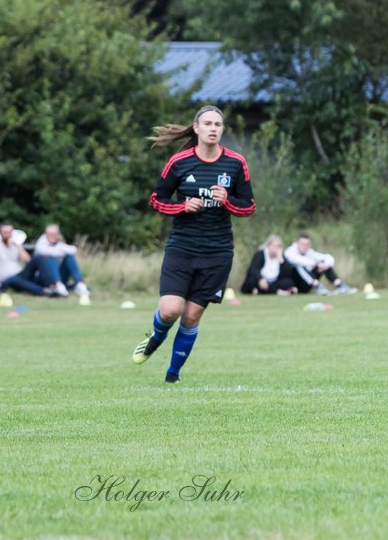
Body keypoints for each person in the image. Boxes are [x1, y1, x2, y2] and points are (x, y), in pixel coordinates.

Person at [132, 105, 255, 382]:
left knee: (189, 317)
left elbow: (248, 206)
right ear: (196, 128)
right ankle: (156, 337)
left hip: (218, 252)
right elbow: (156, 199)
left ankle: (172, 375)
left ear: (222, 130)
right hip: (183, 248)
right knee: (170, 311)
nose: (213, 128)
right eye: (208, 123)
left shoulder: (236, 163)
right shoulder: (179, 162)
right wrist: (182, 207)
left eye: (218, 124)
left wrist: (227, 201)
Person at [0, 222, 55, 296]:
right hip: (6, 279)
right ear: (0, 233)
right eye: (5, 232)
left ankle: (52, 285)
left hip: (20, 274)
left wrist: (17, 245)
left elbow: (28, 261)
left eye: (9, 232)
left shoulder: (16, 244)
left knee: (38, 258)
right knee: (15, 280)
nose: (8, 234)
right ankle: (45, 291)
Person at [284, 233, 357, 295]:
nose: (305, 246)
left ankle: (339, 285)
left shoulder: (309, 252)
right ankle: (318, 286)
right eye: (302, 244)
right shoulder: (289, 252)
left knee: (323, 263)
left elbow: (328, 258)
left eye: (307, 244)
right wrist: (316, 263)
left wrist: (325, 265)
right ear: (297, 243)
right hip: (296, 284)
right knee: (299, 266)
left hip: (308, 284)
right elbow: (298, 260)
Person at [33, 223, 91, 298]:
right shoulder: (40, 243)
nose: (52, 236)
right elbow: (49, 252)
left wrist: (61, 242)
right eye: (50, 234)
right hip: (43, 277)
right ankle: (58, 285)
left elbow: (73, 250)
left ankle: (80, 284)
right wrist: (61, 250)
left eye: (54, 234)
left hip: (58, 275)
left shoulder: (59, 243)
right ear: (45, 234)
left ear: (58, 234)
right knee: (51, 258)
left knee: (69, 257)